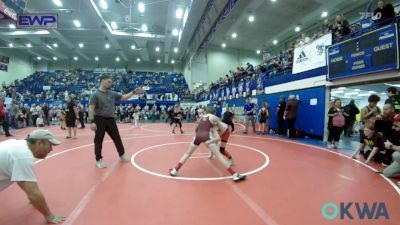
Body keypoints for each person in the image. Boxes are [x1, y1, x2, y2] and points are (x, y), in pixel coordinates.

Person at [0, 130, 64, 224]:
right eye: (50, 145)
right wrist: (49, 215)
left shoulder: (18, 145)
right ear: (39, 143)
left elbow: (20, 178)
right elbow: (34, 194)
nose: (51, 149)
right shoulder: (23, 156)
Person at [169, 107, 245, 182]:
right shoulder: (215, 117)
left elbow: (197, 129)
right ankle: (234, 175)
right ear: (214, 113)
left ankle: (175, 170)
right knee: (219, 155)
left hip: (197, 136)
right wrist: (212, 137)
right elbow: (221, 130)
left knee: (187, 153)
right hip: (207, 137)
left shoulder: (201, 117)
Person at [88, 74, 143, 169]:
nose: (110, 83)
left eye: (111, 82)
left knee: (117, 138)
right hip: (99, 119)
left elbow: (124, 97)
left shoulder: (112, 93)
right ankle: (99, 159)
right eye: (108, 81)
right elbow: (91, 108)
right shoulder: (95, 95)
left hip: (111, 119)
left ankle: (122, 155)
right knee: (98, 140)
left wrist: (133, 92)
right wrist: (92, 121)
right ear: (102, 81)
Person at [383, 113, 400, 178]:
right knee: (387, 173)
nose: (394, 124)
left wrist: (391, 146)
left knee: (396, 154)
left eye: (397, 122)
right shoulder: (396, 131)